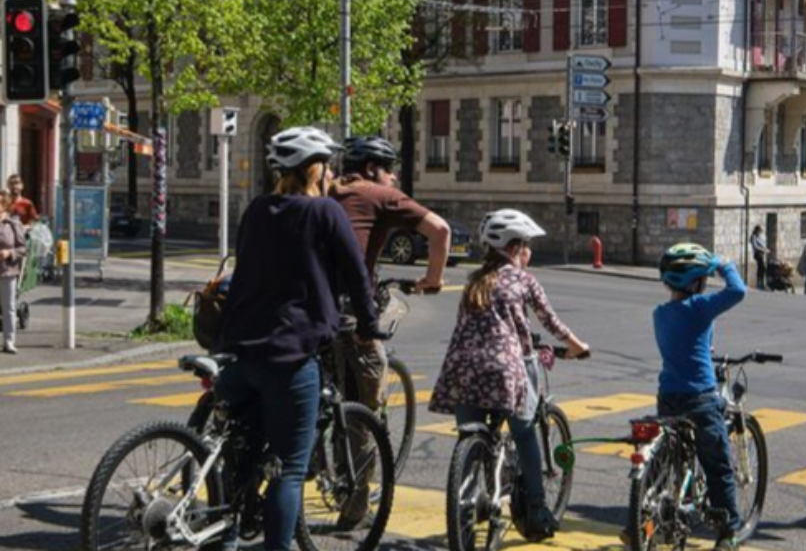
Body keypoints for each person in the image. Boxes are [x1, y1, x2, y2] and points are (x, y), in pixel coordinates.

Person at [215, 126, 380, 551]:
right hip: (288, 356)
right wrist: (368, 323)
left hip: (238, 349)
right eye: (328, 166)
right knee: (290, 467)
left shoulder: (255, 209)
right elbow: (357, 276)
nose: (331, 174)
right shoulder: (324, 212)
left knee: (241, 455)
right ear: (315, 169)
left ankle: (226, 537)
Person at [429, 209, 590, 542]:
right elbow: (550, 321)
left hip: (461, 369)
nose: (529, 251)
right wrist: (578, 346)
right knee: (524, 430)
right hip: (505, 371)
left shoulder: (473, 281)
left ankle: (468, 503)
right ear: (516, 248)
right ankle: (538, 508)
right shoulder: (523, 280)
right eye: (527, 245)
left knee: (468, 436)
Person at [330, 134, 451, 408]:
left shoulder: (327, 189)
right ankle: (363, 440)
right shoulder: (381, 195)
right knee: (366, 390)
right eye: (389, 169)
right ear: (372, 168)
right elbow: (440, 230)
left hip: (310, 301)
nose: (394, 177)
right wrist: (433, 279)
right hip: (348, 304)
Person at [652, 243, 747, 551]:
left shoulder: (660, 313)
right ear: (696, 282)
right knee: (718, 464)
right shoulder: (700, 308)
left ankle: (647, 514)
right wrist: (722, 263)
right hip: (699, 399)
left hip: (668, 397)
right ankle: (728, 531)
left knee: (665, 456)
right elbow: (738, 291)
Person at [0, 190, 26, 354]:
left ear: (4, 205)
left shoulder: (13, 223)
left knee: (8, 307)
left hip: (7, 271)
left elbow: (23, 248)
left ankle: (9, 341)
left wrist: (9, 253)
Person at [749, 226, 768, 291]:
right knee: (762, 267)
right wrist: (763, 250)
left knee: (761, 268)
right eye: (759, 231)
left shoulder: (758, 237)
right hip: (757, 254)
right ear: (756, 230)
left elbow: (762, 244)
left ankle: (761, 283)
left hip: (761, 254)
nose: (760, 233)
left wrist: (765, 249)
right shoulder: (753, 237)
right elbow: (756, 246)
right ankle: (760, 283)